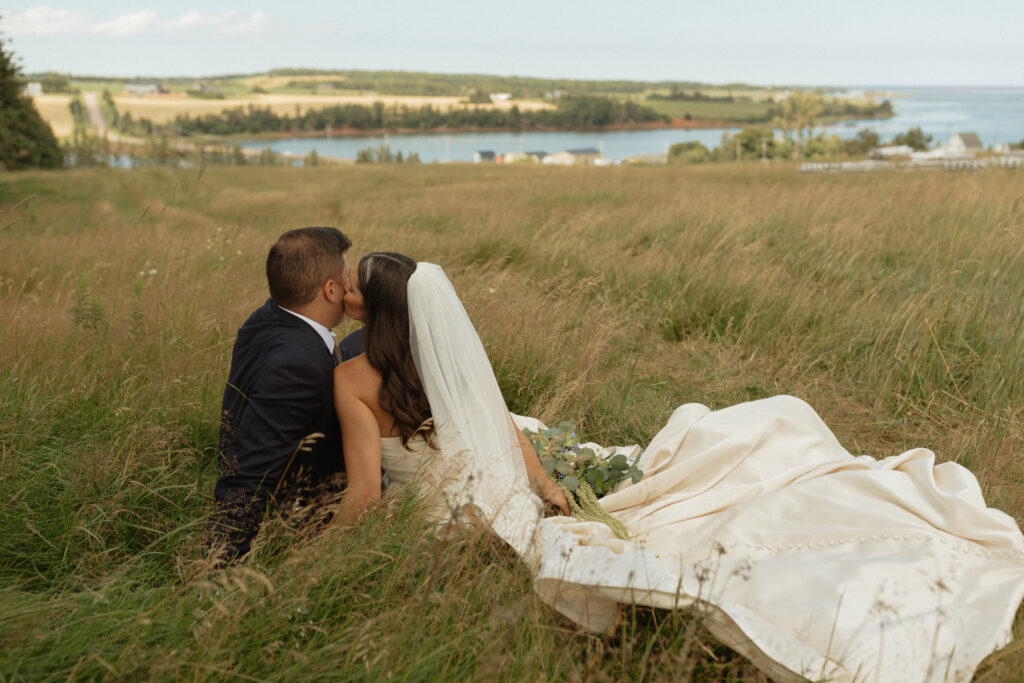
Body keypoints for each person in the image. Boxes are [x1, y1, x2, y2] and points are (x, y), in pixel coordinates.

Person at [333, 252, 1024, 682]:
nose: (345, 288)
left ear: (374, 305)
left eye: (354, 282)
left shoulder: (353, 378)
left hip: (438, 509)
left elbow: (365, 491)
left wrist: (320, 549)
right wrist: (541, 482)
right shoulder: (446, 359)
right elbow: (504, 426)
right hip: (501, 483)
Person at [208, 227, 362, 563]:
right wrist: (219, 569)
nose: (350, 286)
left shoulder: (265, 317)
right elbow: (249, 474)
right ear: (331, 289)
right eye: (346, 278)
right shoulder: (297, 368)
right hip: (307, 508)